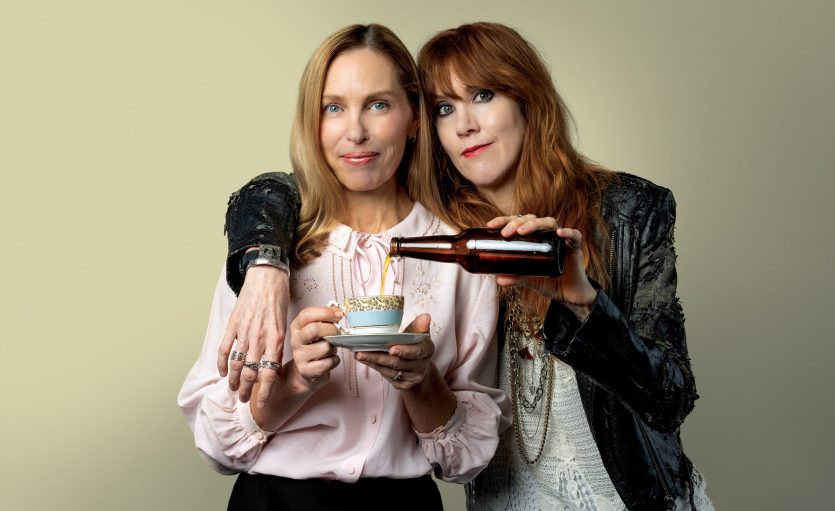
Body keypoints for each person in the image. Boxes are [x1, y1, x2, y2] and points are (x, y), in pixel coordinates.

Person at [218, 22, 713, 511]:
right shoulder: (445, 226)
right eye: (444, 108)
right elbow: (282, 187)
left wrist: (586, 304)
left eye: (483, 95)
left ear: (528, 99)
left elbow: (670, 399)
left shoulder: (628, 213)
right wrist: (264, 264)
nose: (464, 125)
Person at [178, 23, 509, 510]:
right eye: (333, 108)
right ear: (313, 123)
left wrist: (422, 381)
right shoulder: (268, 249)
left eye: (378, 105)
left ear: (414, 118)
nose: (356, 132)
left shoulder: (457, 254)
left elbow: (467, 460)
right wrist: (294, 381)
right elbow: (216, 444)